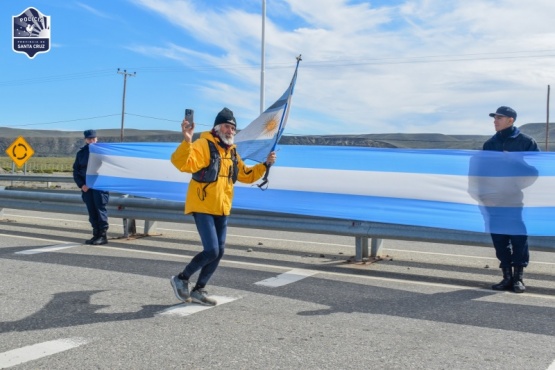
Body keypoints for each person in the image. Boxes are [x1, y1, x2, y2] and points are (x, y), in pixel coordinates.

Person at [170, 107, 276, 305]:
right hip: (202, 204)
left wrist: (265, 165)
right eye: (227, 127)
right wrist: (187, 140)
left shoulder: (232, 152)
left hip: (222, 206)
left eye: (233, 128)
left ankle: (199, 289)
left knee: (219, 251)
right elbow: (183, 164)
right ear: (217, 128)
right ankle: (181, 278)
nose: (231, 131)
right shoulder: (203, 144)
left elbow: (246, 175)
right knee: (211, 250)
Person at [483, 106, 539, 293]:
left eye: (499, 117)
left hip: (514, 198)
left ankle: (518, 278)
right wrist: (485, 195)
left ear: (510, 120)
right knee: (499, 237)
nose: (495, 120)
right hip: (493, 199)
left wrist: (513, 163)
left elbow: (536, 170)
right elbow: (483, 172)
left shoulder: (526, 142)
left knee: (518, 237)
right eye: (494, 118)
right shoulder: (490, 143)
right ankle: (506, 277)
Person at [73, 129, 110, 245]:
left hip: (99, 186)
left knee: (100, 211)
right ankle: (95, 235)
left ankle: (103, 236)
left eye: (94, 138)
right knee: (92, 212)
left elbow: (108, 167)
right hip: (86, 188)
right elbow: (76, 171)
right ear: (85, 140)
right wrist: (82, 185)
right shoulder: (81, 153)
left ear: (97, 138)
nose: (92, 140)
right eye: (89, 139)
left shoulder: (103, 152)